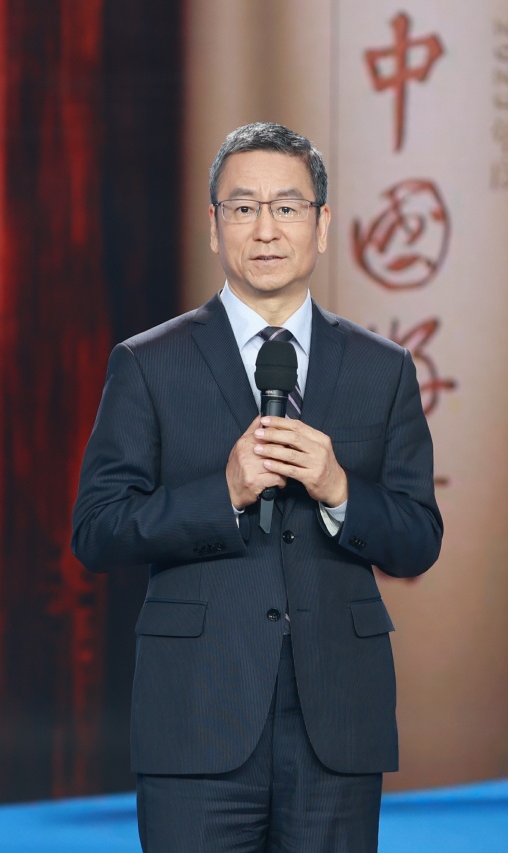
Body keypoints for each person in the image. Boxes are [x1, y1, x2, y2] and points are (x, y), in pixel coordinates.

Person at [72, 122, 443, 852]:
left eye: (288, 207)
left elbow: (418, 540)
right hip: (196, 717)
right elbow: (98, 529)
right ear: (214, 226)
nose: (266, 229)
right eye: (243, 208)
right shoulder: (148, 363)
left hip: (336, 722)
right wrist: (223, 492)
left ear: (322, 225)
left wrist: (339, 489)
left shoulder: (382, 367)